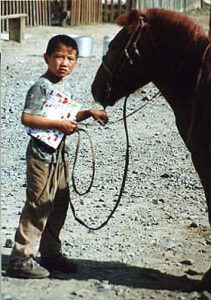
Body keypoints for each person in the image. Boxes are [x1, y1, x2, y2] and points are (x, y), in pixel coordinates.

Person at [6, 34, 108, 279]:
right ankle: (21, 258)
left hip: (59, 155)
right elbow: (27, 118)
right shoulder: (41, 86)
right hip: (41, 156)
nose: (64, 62)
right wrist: (59, 125)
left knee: (59, 203)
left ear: (76, 62)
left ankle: (50, 254)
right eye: (59, 57)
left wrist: (89, 112)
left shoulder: (60, 86)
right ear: (47, 58)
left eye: (70, 58)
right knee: (38, 204)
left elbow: (69, 115)